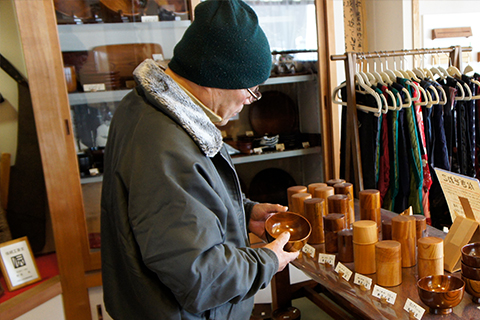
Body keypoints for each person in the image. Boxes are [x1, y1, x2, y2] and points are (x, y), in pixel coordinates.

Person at [101, 1, 299, 319]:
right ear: (213, 77)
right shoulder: (166, 146)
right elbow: (200, 277)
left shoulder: (140, 107)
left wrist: (242, 213)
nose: (251, 99)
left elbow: (177, 214)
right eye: (251, 88)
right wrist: (268, 261)